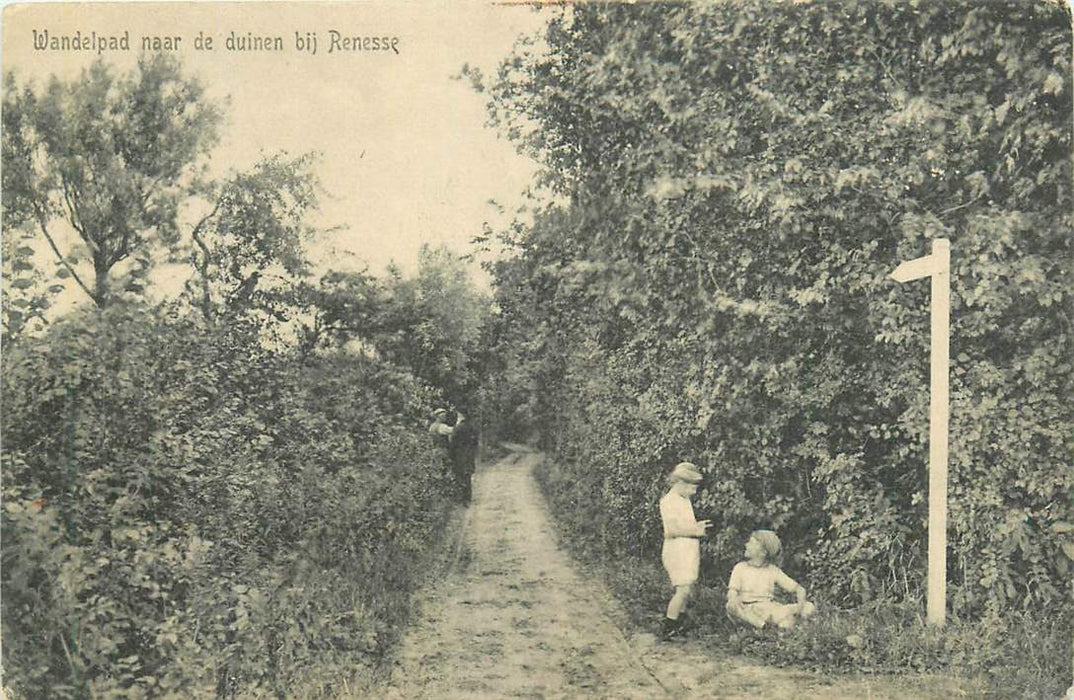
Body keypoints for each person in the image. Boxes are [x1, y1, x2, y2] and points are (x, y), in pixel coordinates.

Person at [659, 461, 711, 640]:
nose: (694, 492)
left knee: (687, 589)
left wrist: (696, 526)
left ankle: (679, 622)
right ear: (680, 483)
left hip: (687, 549)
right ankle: (668, 627)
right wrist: (695, 530)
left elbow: (685, 525)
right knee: (683, 590)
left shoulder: (684, 500)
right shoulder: (668, 502)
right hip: (676, 551)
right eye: (692, 487)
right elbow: (671, 531)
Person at [725, 529, 816, 630]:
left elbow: (799, 589)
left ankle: (776, 625)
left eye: (751, 543)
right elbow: (732, 592)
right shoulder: (740, 567)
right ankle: (762, 625)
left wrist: (800, 607)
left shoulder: (772, 570)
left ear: (763, 552)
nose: (746, 545)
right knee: (731, 605)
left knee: (808, 607)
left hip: (768, 609)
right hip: (746, 610)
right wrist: (734, 599)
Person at [447, 410, 479, 504]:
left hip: (459, 454)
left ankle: (460, 498)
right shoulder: (473, 428)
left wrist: (451, 455)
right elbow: (475, 443)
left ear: (462, 416)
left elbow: (453, 443)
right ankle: (467, 497)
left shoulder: (458, 428)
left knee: (459, 475)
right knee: (467, 475)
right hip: (469, 454)